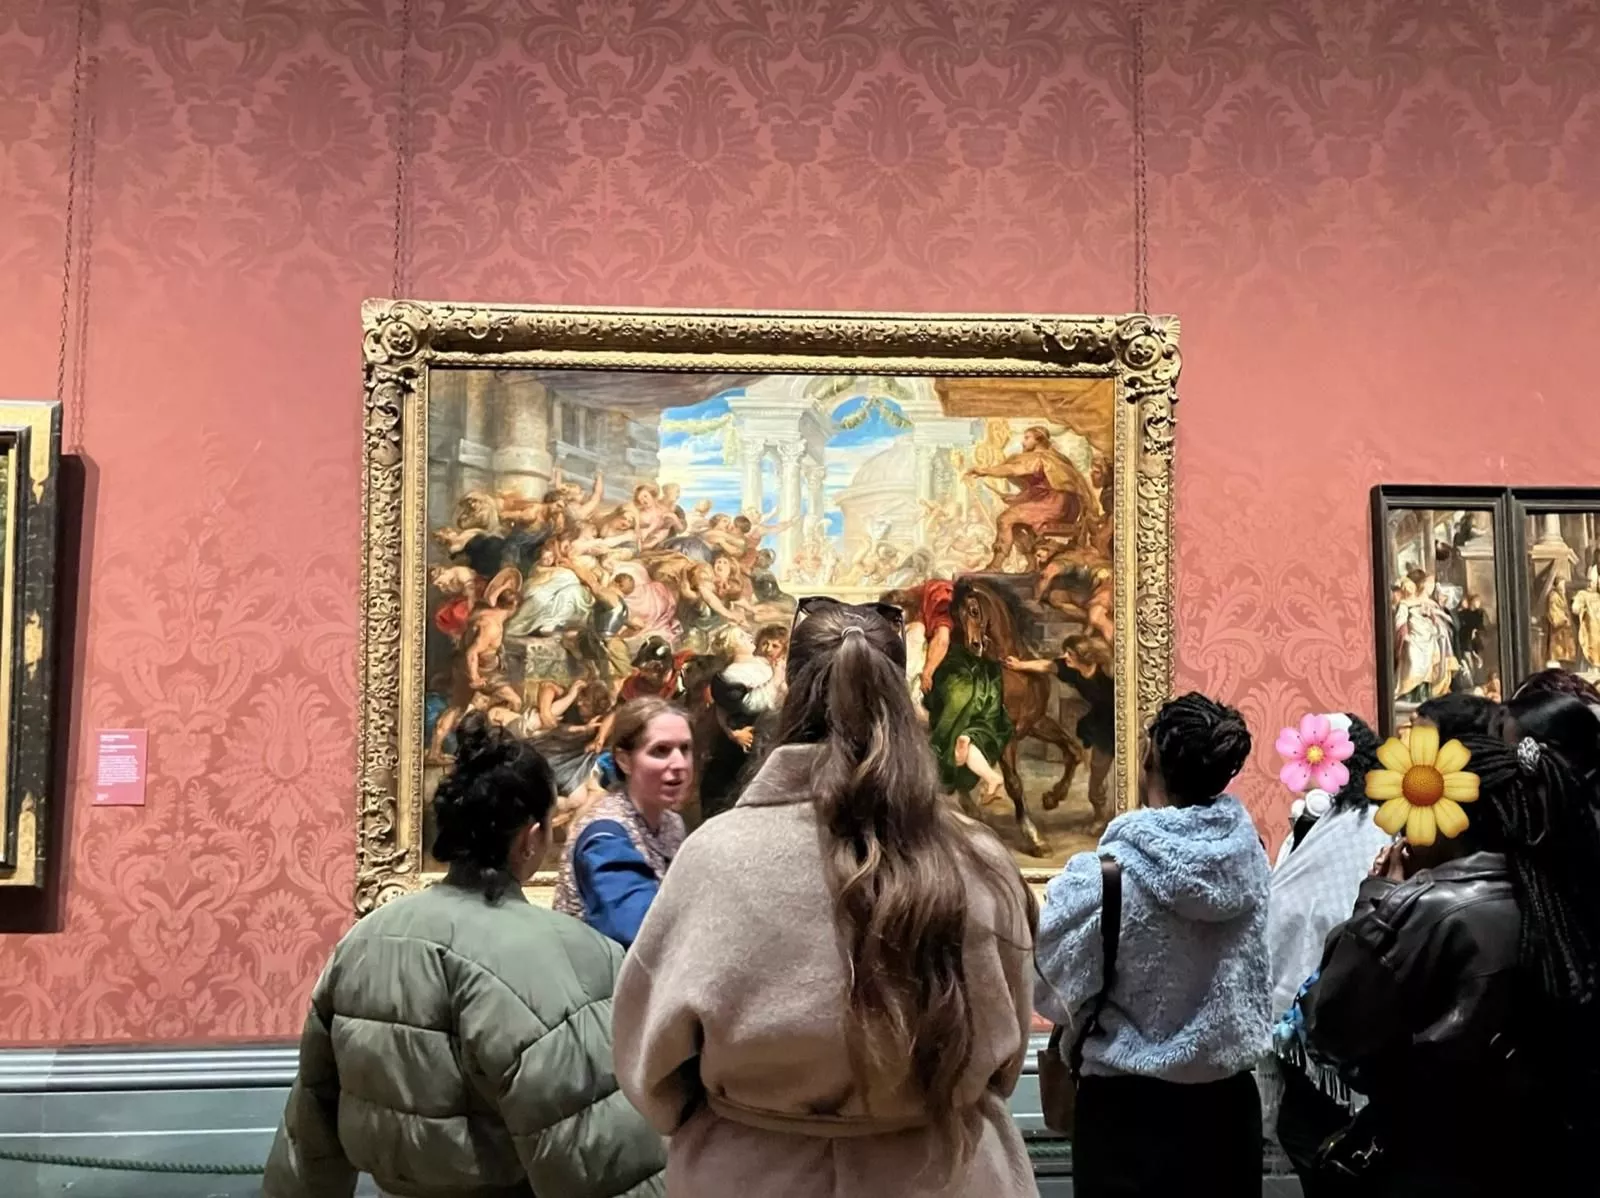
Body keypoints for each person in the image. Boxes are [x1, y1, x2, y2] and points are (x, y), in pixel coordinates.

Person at [610, 598, 1038, 1198]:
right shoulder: (978, 857)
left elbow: (649, 1065)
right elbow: (1005, 1051)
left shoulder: (716, 857)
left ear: (789, 688)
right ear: (901, 689)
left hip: (756, 1172)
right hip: (945, 1170)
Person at [263, 715, 665, 1198]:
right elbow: (601, 1158)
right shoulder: (567, 954)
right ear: (531, 837)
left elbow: (310, 1130)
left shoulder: (364, 939)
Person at [1302, 695, 1600, 1194]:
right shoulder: (1565, 889)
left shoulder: (1427, 907)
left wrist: (1379, 899)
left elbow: (1330, 1026)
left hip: (1436, 1157)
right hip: (1544, 1155)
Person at [1035, 692, 1270, 1198]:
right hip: (1228, 1109)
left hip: (1126, 1113)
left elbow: (1048, 989)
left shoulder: (1103, 880)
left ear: (1147, 761)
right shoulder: (1252, 863)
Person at [1261, 714, 1389, 1198]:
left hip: (1335, 1015)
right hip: (1328, 1014)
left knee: (1320, 1137)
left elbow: (1303, 909)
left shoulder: (1357, 824)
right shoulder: (1334, 821)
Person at [551, 697, 693, 948]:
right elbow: (639, 932)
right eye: (661, 750)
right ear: (624, 760)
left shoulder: (671, 823)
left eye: (685, 749)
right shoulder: (604, 835)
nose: (679, 763)